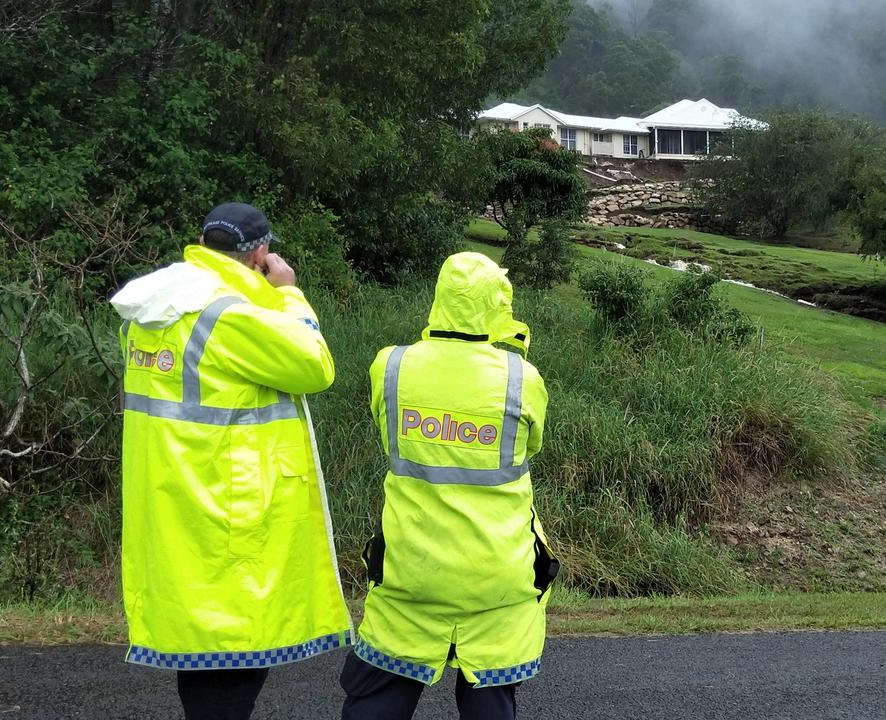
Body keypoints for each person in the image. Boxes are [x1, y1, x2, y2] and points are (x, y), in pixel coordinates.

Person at [111, 202, 353, 720]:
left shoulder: (157, 308)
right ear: (261, 253)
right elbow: (315, 364)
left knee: (200, 652)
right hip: (230, 511)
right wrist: (288, 292)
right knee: (235, 657)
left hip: (173, 503)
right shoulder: (228, 313)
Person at [340, 251, 559, 720]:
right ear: (498, 303)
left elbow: (387, 431)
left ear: (439, 297)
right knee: (490, 701)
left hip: (410, 570)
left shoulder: (391, 366)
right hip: (496, 575)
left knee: (377, 700)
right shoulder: (523, 378)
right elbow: (531, 446)